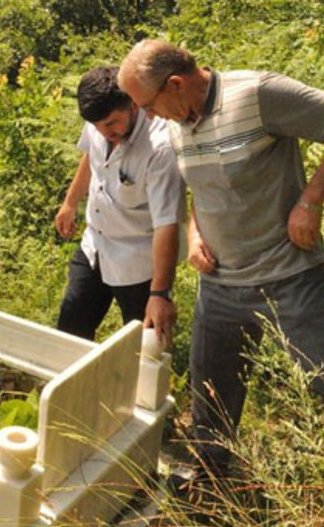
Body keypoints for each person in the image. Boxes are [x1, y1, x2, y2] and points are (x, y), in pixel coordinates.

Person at [118, 40, 324, 481]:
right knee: (212, 393)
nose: (148, 117)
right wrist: (195, 234)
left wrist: (311, 200)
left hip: (288, 276)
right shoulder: (178, 123)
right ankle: (211, 484)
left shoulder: (255, 95)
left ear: (175, 84)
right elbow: (203, 188)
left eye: (147, 105)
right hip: (220, 285)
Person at [55, 66, 185, 346]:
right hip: (95, 246)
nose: (105, 133)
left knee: (145, 347)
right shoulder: (99, 121)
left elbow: (167, 223)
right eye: (98, 126)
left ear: (132, 103)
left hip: (137, 263)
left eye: (112, 124)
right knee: (70, 329)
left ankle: (141, 390)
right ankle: (71, 389)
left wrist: (159, 294)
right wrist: (69, 203)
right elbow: (91, 158)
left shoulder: (159, 148)